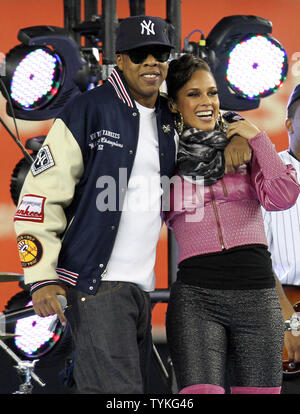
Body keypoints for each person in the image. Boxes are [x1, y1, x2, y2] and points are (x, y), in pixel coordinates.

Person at [13, 15, 177, 394]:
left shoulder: (172, 116)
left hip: (141, 288)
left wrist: (238, 129)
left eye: (160, 54)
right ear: (119, 60)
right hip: (97, 285)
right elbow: (38, 197)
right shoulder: (88, 109)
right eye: (140, 55)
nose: (151, 62)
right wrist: (40, 276)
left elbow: (212, 118)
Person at [164, 53, 300, 394]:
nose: (207, 101)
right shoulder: (162, 151)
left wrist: (256, 138)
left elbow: (283, 196)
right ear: (175, 104)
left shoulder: (243, 140)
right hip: (197, 295)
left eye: (212, 93)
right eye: (194, 94)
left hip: (257, 294)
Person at [262, 83, 300, 393]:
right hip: (283, 305)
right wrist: (287, 317)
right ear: (288, 123)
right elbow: (253, 252)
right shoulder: (267, 171)